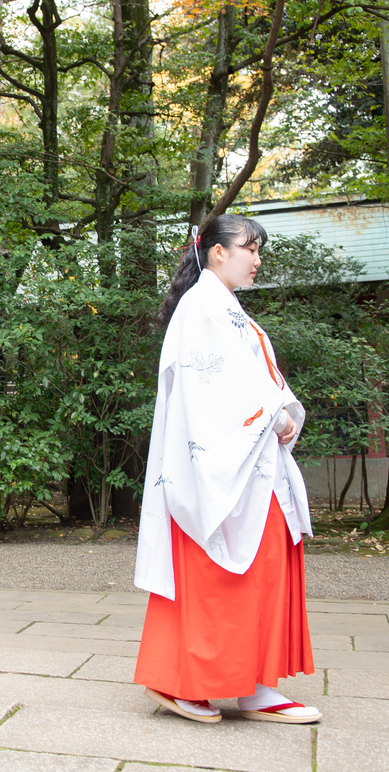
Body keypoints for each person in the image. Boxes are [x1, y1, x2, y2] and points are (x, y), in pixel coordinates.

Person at [132, 214, 320, 725]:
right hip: (218, 464)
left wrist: (281, 413)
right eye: (250, 249)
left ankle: (256, 686)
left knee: (267, 563)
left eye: (258, 250)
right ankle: (182, 681)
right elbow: (208, 392)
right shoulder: (203, 308)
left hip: (252, 461)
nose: (257, 260)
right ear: (218, 252)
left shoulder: (224, 307)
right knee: (218, 573)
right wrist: (270, 415)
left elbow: (255, 378)